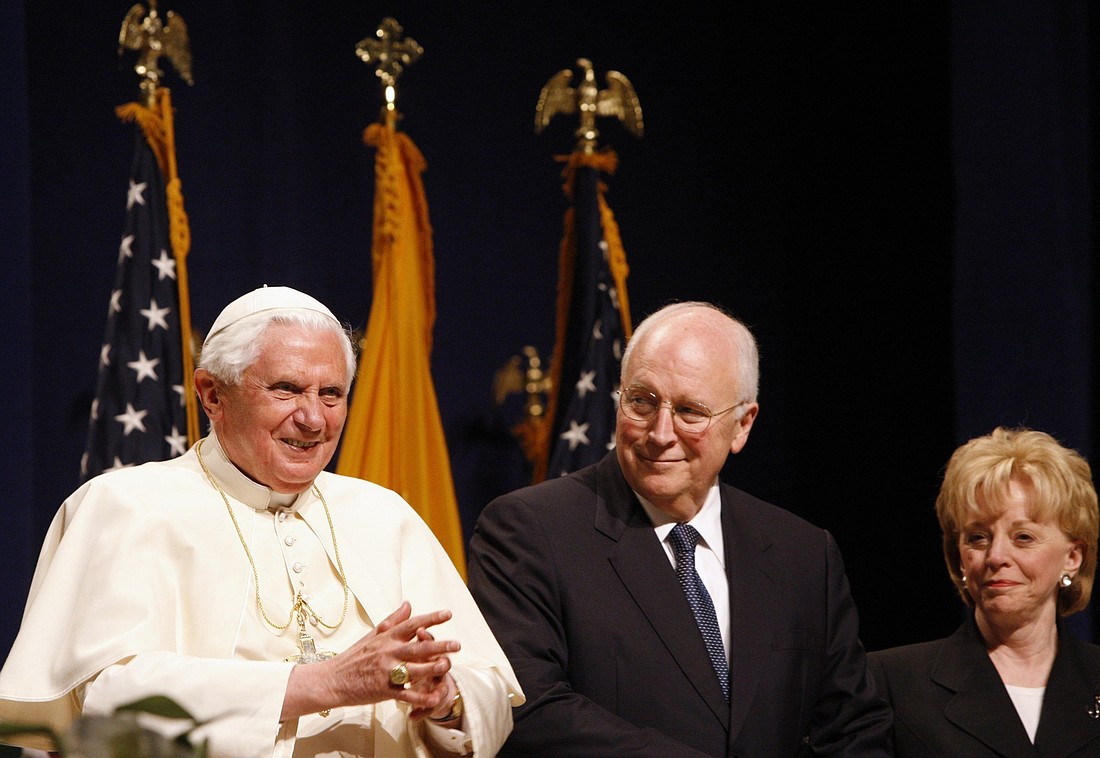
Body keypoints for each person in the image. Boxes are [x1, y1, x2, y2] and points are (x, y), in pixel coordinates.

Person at [0, 285, 523, 757]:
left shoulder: (386, 515)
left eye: (331, 393)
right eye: (287, 389)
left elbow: (491, 689)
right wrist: (322, 684)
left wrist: (446, 702)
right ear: (212, 394)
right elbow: (110, 702)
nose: (314, 418)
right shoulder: (126, 506)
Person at [466, 301, 892, 757]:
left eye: (690, 411)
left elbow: (852, 730)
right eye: (642, 402)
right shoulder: (530, 530)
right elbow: (529, 708)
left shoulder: (803, 554)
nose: (660, 433)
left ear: (742, 425)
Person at [868, 427, 1100, 756]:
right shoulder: (891, 682)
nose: (996, 556)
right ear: (959, 558)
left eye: (1023, 537)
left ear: (1073, 557)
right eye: (978, 537)